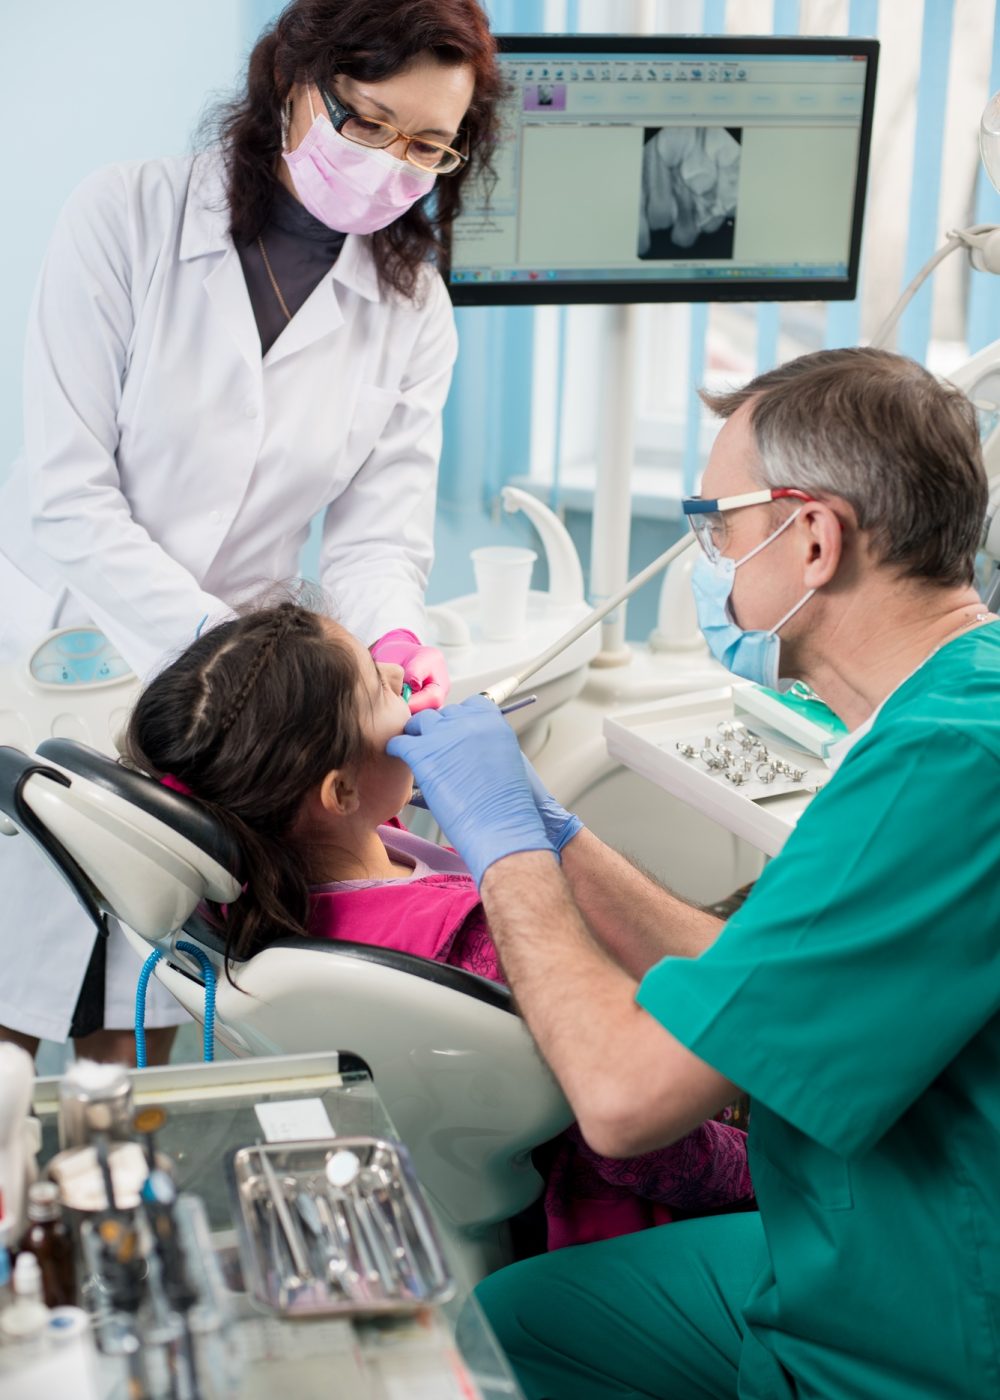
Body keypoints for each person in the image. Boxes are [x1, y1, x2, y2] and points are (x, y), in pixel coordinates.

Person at [390, 347, 1000, 1399]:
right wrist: (564, 842)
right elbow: (768, 981)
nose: (708, 559)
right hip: (851, 1237)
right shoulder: (943, 709)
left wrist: (504, 848)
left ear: (812, 536)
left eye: (715, 527)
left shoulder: (945, 769)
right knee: (521, 1319)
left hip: (922, 1321)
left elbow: (626, 1099)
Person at [0, 0, 503, 1063]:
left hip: (230, 721)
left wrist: (395, 640)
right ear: (294, 84)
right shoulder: (126, 216)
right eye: (365, 122)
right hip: (63, 651)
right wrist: (248, 667)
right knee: (9, 987)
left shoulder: (411, 307)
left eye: (425, 145)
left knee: (144, 1003)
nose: (388, 163)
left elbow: (373, 540)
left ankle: (118, 1208)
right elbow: (68, 495)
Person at [120, 598, 755, 1251]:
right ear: (339, 794)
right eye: (375, 683)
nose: (398, 675)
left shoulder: (269, 880)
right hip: (633, 1201)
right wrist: (753, 1168)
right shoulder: (476, 935)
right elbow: (639, 1146)